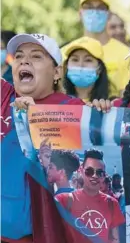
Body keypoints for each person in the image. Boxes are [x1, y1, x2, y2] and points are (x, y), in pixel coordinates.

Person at [2, 33, 86, 243]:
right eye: (19, 56)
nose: (25, 60)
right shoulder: (4, 96)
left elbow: (74, 173)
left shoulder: (75, 110)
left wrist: (39, 118)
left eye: (37, 56)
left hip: (48, 234)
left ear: (57, 72)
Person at [61, 0, 130, 98]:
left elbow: (126, 99)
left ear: (109, 14)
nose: (94, 12)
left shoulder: (126, 54)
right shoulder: (64, 53)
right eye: (88, 7)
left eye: (100, 8)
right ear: (80, 13)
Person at [56, 148, 125, 243]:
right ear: (81, 170)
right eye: (89, 171)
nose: (94, 176)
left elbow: (115, 239)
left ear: (104, 175)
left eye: (99, 173)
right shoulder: (64, 199)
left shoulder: (112, 204)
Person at [62, 36, 110, 101]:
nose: (80, 65)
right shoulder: (57, 102)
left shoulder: (111, 105)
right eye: (75, 60)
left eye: (88, 60)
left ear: (99, 68)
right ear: (66, 66)